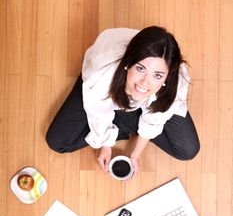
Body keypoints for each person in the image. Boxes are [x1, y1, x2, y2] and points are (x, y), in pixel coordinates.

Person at [46, 26, 200, 178]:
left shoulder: (175, 83)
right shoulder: (102, 74)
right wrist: (106, 144)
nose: (145, 83)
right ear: (129, 62)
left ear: (167, 76)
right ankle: (126, 122)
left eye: (158, 75)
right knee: (57, 142)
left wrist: (135, 155)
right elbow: (99, 112)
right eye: (140, 69)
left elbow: (155, 120)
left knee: (188, 150)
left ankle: (123, 122)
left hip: (140, 102)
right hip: (102, 88)